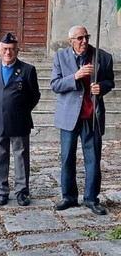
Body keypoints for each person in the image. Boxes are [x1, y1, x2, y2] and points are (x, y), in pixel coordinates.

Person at [51, 25, 114, 215]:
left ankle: (91, 199)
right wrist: (75, 76)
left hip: (92, 116)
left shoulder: (102, 56)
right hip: (69, 116)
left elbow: (110, 81)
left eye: (86, 37)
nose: (84, 41)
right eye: (79, 38)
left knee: (93, 158)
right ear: (71, 41)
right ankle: (69, 197)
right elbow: (55, 84)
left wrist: (101, 88)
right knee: (67, 158)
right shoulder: (61, 57)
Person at [0, 32, 40, 206]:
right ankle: (1, 191)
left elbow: (34, 95)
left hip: (20, 121)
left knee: (21, 156)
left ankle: (22, 191)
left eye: (11, 49)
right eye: (5, 49)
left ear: (17, 50)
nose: (8, 52)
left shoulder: (27, 69)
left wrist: (20, 110)